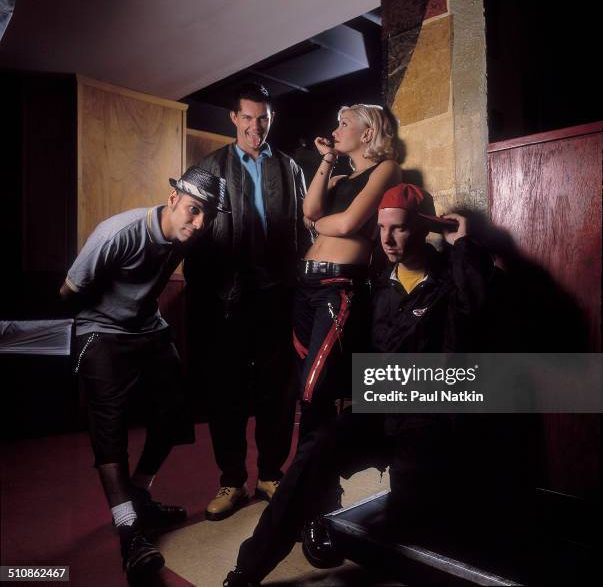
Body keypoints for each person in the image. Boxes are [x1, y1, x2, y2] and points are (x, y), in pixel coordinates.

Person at [222, 183, 494, 587]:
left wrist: (463, 244)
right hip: (379, 415)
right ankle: (248, 569)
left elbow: (479, 307)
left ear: (421, 230)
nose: (386, 239)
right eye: (382, 228)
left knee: (412, 530)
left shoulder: (448, 280)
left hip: (428, 425)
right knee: (317, 447)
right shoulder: (378, 284)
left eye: (398, 229)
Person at [60, 167, 229, 584]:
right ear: (172, 200)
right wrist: (104, 318)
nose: (199, 223)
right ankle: (128, 529)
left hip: (148, 328)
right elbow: (68, 292)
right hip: (100, 327)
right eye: (193, 210)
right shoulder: (117, 234)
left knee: (175, 414)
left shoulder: (190, 234)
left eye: (207, 215)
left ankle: (138, 495)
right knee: (109, 423)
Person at [183, 82, 308, 521]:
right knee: (227, 392)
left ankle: (270, 473)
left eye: (264, 118)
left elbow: (304, 231)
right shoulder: (209, 166)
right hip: (228, 300)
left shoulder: (291, 168)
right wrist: (208, 297)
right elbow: (192, 238)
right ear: (233, 119)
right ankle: (232, 480)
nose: (256, 127)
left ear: (270, 119)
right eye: (248, 118)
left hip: (277, 295)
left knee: (278, 390)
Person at [292, 104, 401, 537]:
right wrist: (326, 161)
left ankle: (309, 494)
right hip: (303, 288)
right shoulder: (338, 175)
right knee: (312, 391)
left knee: (312, 391)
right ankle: (319, 496)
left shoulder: (386, 169)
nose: (335, 130)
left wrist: (322, 225)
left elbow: (353, 221)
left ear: (369, 131)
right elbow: (310, 211)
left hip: (339, 286)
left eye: (344, 124)